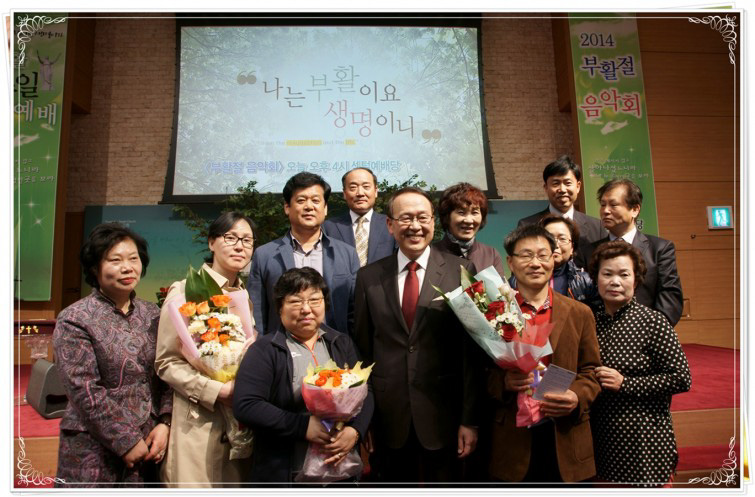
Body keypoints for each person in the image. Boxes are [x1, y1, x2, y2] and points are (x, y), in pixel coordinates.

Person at [354, 187, 481, 483]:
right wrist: (364, 419)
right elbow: (363, 351)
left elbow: (471, 352)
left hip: (444, 414)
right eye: (406, 218)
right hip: (388, 415)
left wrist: (470, 420)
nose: (415, 226)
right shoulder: (368, 277)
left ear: (433, 222)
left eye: (423, 217)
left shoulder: (461, 271)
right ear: (390, 225)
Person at [53, 223, 172, 487]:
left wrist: (165, 423)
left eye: (133, 259)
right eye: (115, 260)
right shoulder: (75, 319)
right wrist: (125, 440)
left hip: (151, 442)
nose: (127, 267)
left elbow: (168, 371)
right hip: (94, 446)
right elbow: (83, 389)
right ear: (95, 268)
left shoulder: (153, 314)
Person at [234, 267, 374, 483]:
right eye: (295, 301)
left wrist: (355, 431)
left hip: (341, 474)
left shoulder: (341, 342)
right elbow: (246, 405)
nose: (306, 309)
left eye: (314, 300)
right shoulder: (265, 350)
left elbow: (366, 391)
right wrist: (302, 426)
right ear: (279, 308)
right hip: (287, 474)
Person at [487, 224, 601, 483]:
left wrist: (576, 395)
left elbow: (591, 371)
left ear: (553, 259)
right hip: (513, 440)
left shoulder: (579, 312)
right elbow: (476, 374)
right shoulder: (494, 311)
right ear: (510, 262)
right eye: (526, 255)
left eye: (542, 255)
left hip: (565, 434)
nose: (535, 263)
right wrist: (504, 382)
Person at [155, 212, 256, 486]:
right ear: (212, 242)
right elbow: (166, 362)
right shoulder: (186, 292)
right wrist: (216, 391)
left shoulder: (244, 295)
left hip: (236, 420)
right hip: (198, 421)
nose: (240, 246)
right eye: (231, 238)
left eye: (247, 240)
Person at [587, 241, 691, 486]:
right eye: (607, 274)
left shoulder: (653, 321)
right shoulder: (589, 320)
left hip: (644, 438)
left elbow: (681, 378)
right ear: (596, 279)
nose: (615, 281)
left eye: (624, 275)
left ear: (635, 281)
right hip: (601, 436)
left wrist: (625, 384)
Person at [249, 172, 360, 335]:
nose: (309, 206)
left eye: (316, 200)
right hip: (281, 346)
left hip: (334, 346)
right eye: (301, 200)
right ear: (287, 207)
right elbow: (257, 314)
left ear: (325, 208)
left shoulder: (347, 254)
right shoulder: (264, 255)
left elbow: (354, 312)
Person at [584, 179, 684, 326]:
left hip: (646, 332)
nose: (605, 210)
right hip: (600, 332)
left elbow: (670, 297)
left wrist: (650, 330)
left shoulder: (660, 249)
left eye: (613, 205)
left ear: (635, 209)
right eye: (603, 204)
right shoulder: (588, 250)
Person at [517, 155, 606, 267]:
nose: (562, 189)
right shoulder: (527, 225)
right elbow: (521, 267)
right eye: (556, 183)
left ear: (578, 186)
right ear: (546, 188)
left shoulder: (597, 227)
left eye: (568, 183)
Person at [509, 214, 599, 308]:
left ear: (572, 248)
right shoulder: (515, 282)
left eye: (562, 239)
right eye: (550, 239)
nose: (555, 244)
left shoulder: (586, 282)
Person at [323, 167, 396, 266]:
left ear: (375, 191)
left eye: (366, 187)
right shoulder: (328, 227)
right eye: (353, 187)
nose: (360, 193)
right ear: (344, 193)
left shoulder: (391, 224)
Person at [433, 182, 506, 277]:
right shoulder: (431, 253)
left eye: (475, 212)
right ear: (447, 216)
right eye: (461, 212)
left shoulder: (491, 254)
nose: (469, 220)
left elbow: (499, 286)